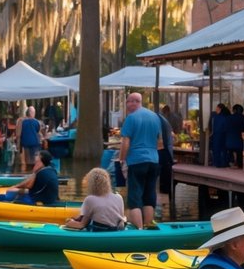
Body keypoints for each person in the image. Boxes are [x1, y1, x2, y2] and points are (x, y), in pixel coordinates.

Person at [119, 92, 160, 229]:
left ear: (135, 102)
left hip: (136, 160)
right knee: (149, 194)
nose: (129, 105)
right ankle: (148, 224)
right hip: (154, 160)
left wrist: (121, 159)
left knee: (134, 198)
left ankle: (139, 229)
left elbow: (125, 142)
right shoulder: (155, 117)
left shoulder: (131, 118)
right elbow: (160, 142)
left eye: (130, 102)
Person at [62, 167, 125, 231]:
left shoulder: (90, 199)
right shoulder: (118, 197)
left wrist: (69, 222)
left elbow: (81, 225)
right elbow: (121, 220)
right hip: (115, 231)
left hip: (99, 231)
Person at [156, 106, 175, 200]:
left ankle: (164, 197)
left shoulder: (159, 120)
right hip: (167, 152)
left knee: (164, 176)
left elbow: (161, 140)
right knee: (165, 177)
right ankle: (166, 197)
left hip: (163, 152)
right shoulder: (164, 120)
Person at [16, 106, 42, 172]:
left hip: (25, 144)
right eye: (34, 112)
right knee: (35, 161)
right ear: (30, 113)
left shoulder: (21, 121)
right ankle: (35, 174)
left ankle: (26, 174)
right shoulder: (36, 122)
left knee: (26, 162)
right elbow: (38, 132)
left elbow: (18, 134)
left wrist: (18, 145)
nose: (34, 113)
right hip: (35, 143)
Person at [209, 104, 230, 168]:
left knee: (216, 149)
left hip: (216, 134)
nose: (216, 109)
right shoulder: (225, 117)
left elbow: (213, 126)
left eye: (217, 108)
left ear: (219, 109)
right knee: (223, 149)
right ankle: (224, 163)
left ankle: (217, 163)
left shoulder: (215, 117)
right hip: (223, 135)